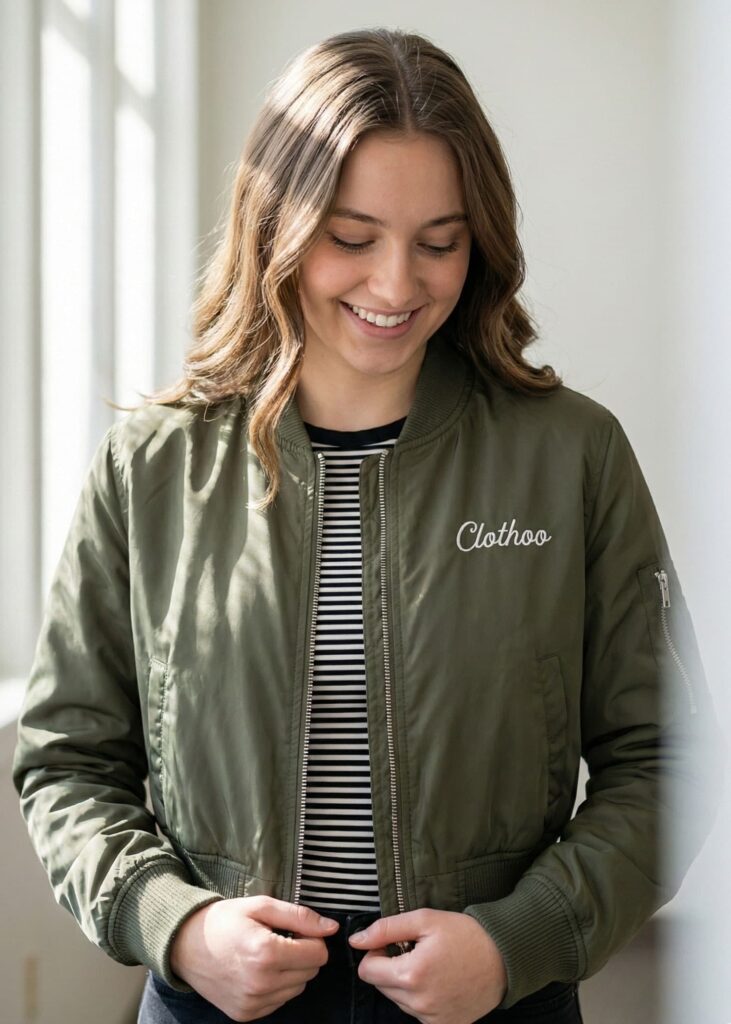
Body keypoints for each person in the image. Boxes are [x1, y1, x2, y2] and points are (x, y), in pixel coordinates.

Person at [12, 26, 725, 1024]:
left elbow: (668, 756)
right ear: (277, 227)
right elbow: (66, 758)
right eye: (351, 238)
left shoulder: (568, 455)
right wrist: (176, 923)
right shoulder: (153, 465)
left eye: (438, 241)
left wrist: (514, 939)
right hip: (216, 1005)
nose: (395, 286)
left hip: (494, 1003)